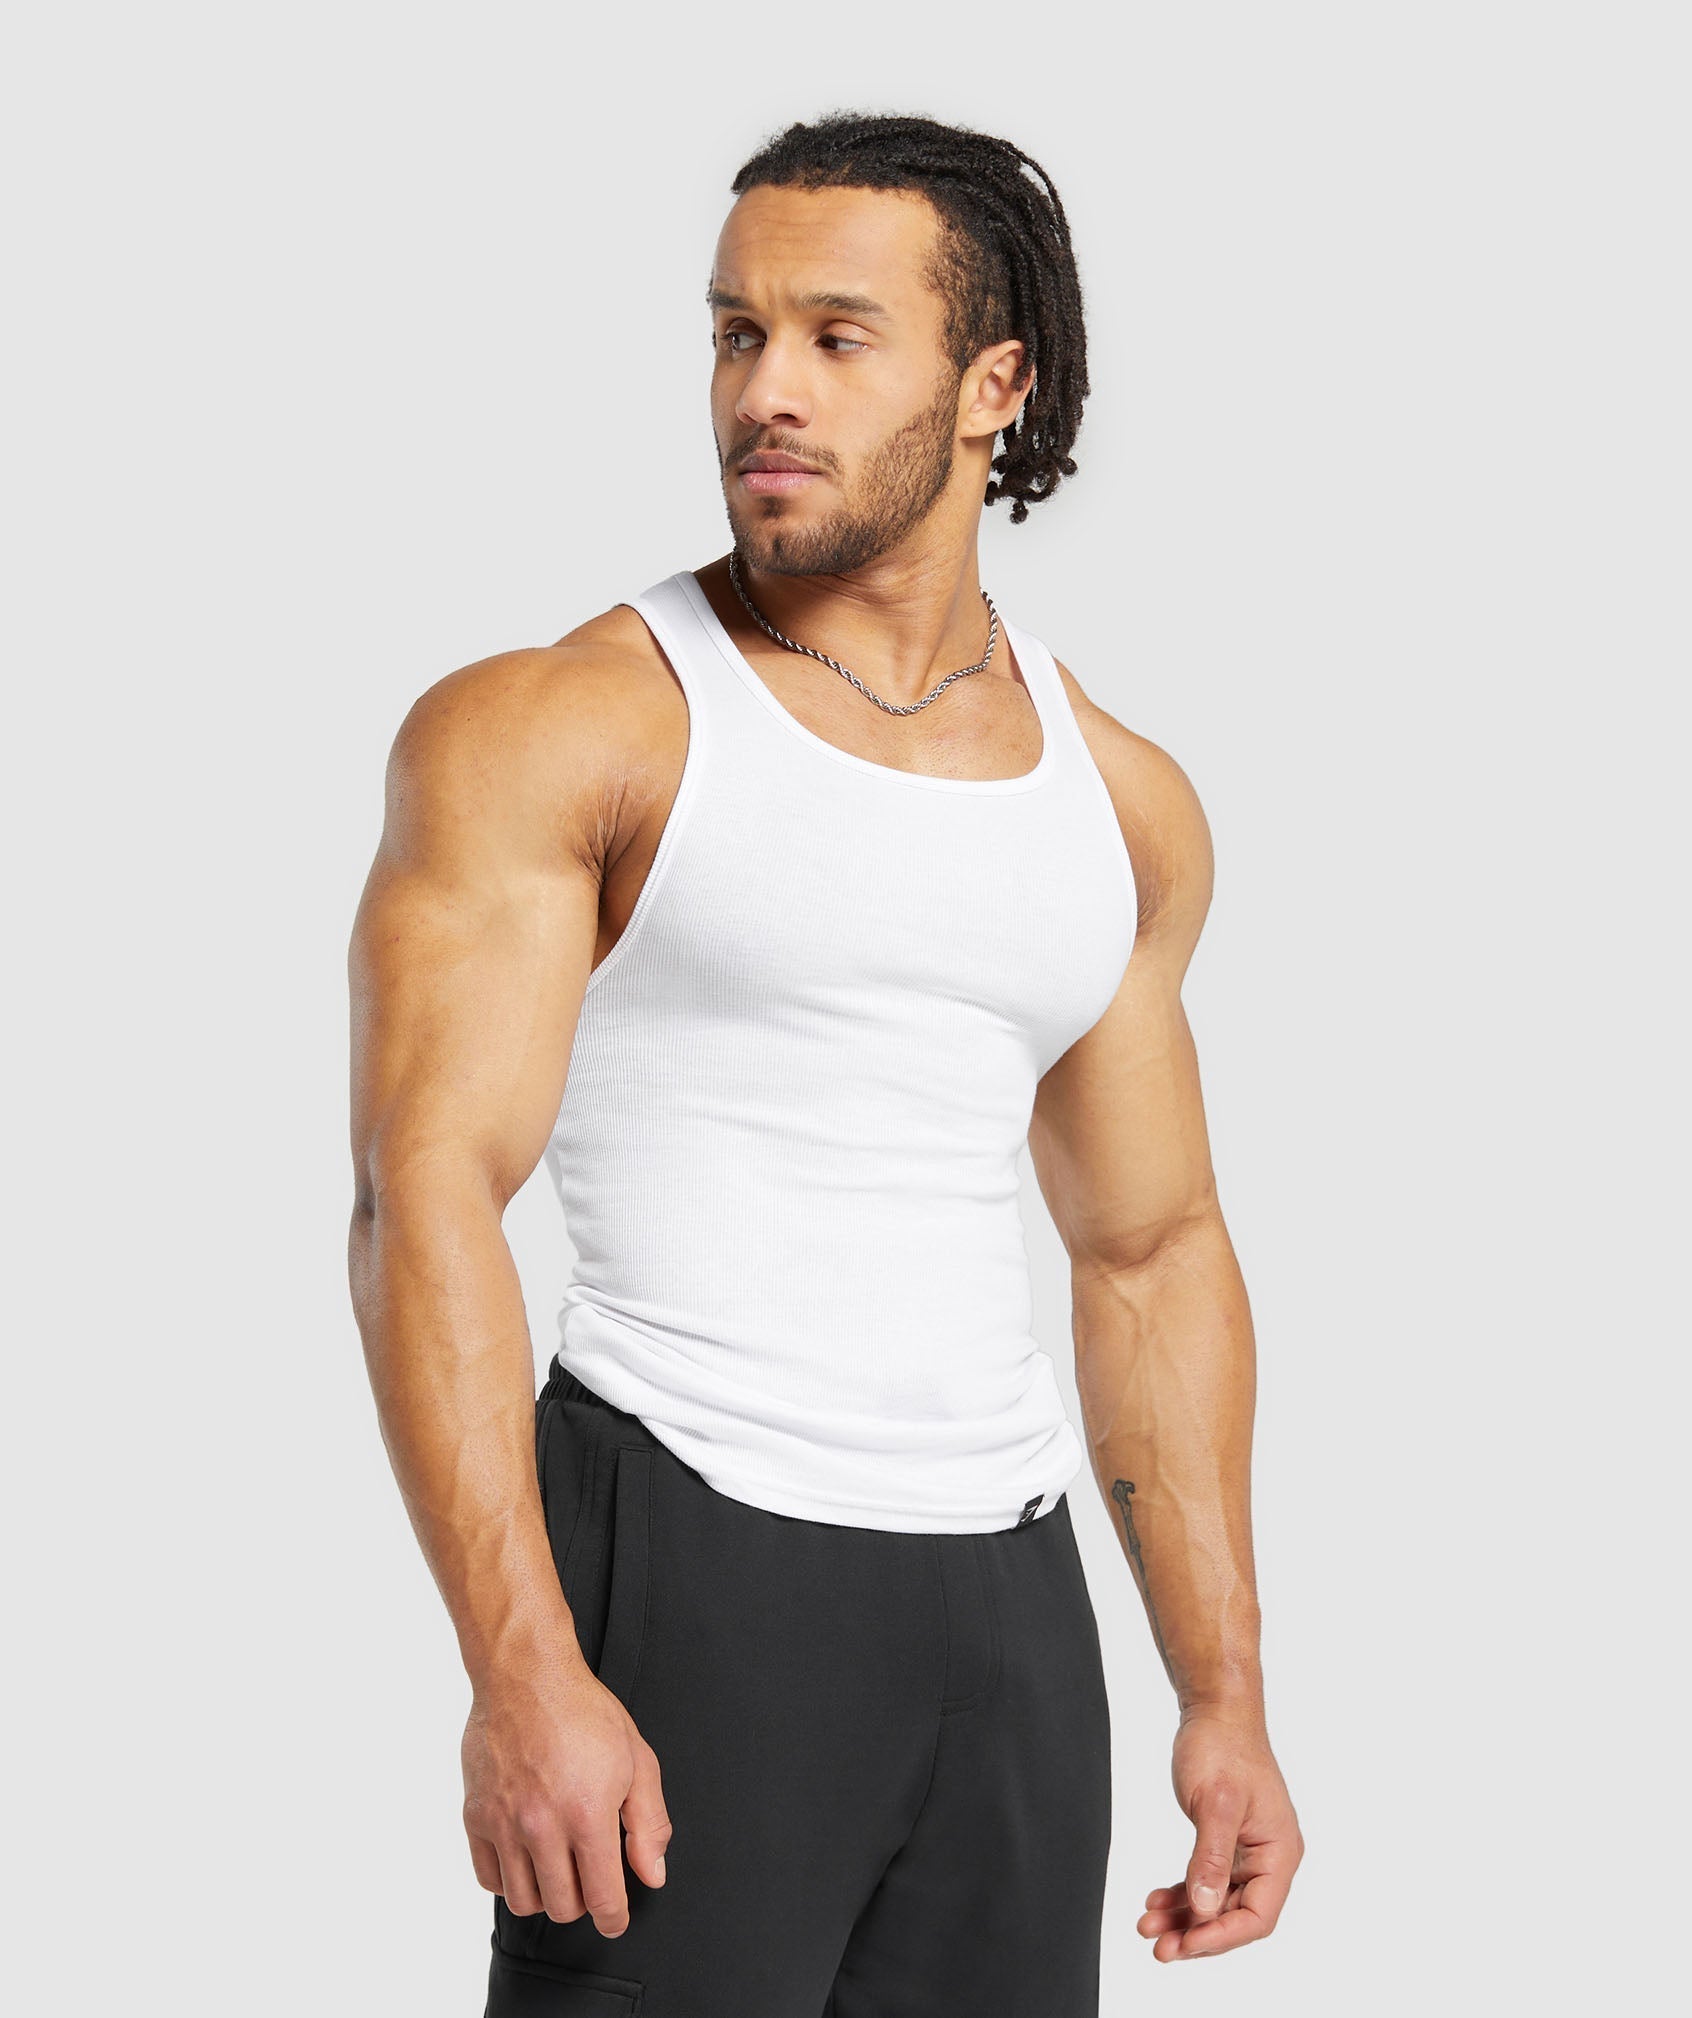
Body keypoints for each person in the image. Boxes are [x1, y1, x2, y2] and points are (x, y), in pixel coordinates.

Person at [348, 109, 1302, 2017]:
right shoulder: (569, 727)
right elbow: (425, 1187)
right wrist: (521, 1667)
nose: (762, 391)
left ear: (993, 385)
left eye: (836, 338)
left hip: (1011, 1606)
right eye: (736, 332)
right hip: (687, 1549)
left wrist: (1224, 1694)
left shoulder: (1120, 801)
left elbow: (1149, 1250)